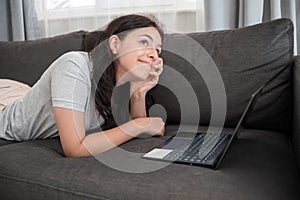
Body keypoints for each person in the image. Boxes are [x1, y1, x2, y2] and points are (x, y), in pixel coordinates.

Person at [0, 14, 165, 157]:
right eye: (144, 42)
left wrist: (139, 92)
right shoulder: (75, 65)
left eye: (158, 50)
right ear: (115, 45)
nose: (153, 54)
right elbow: (74, 149)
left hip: (22, 95)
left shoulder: (121, 85)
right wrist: (138, 125)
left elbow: (141, 128)